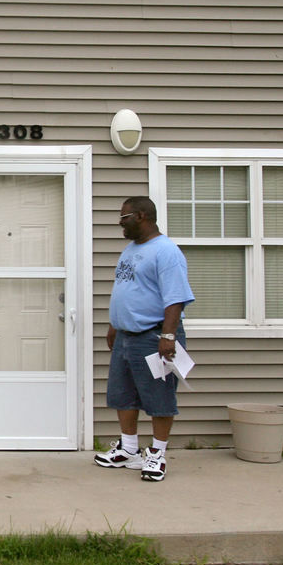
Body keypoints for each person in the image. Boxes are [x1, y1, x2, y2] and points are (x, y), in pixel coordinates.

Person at [94, 197, 194, 482]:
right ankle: (128, 450)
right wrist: (115, 325)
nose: (120, 224)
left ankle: (157, 454)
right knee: (122, 394)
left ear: (140, 216)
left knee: (159, 397)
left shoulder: (166, 251)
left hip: (153, 336)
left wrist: (168, 335)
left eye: (124, 218)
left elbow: (175, 299)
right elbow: (127, 290)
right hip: (126, 336)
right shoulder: (131, 249)